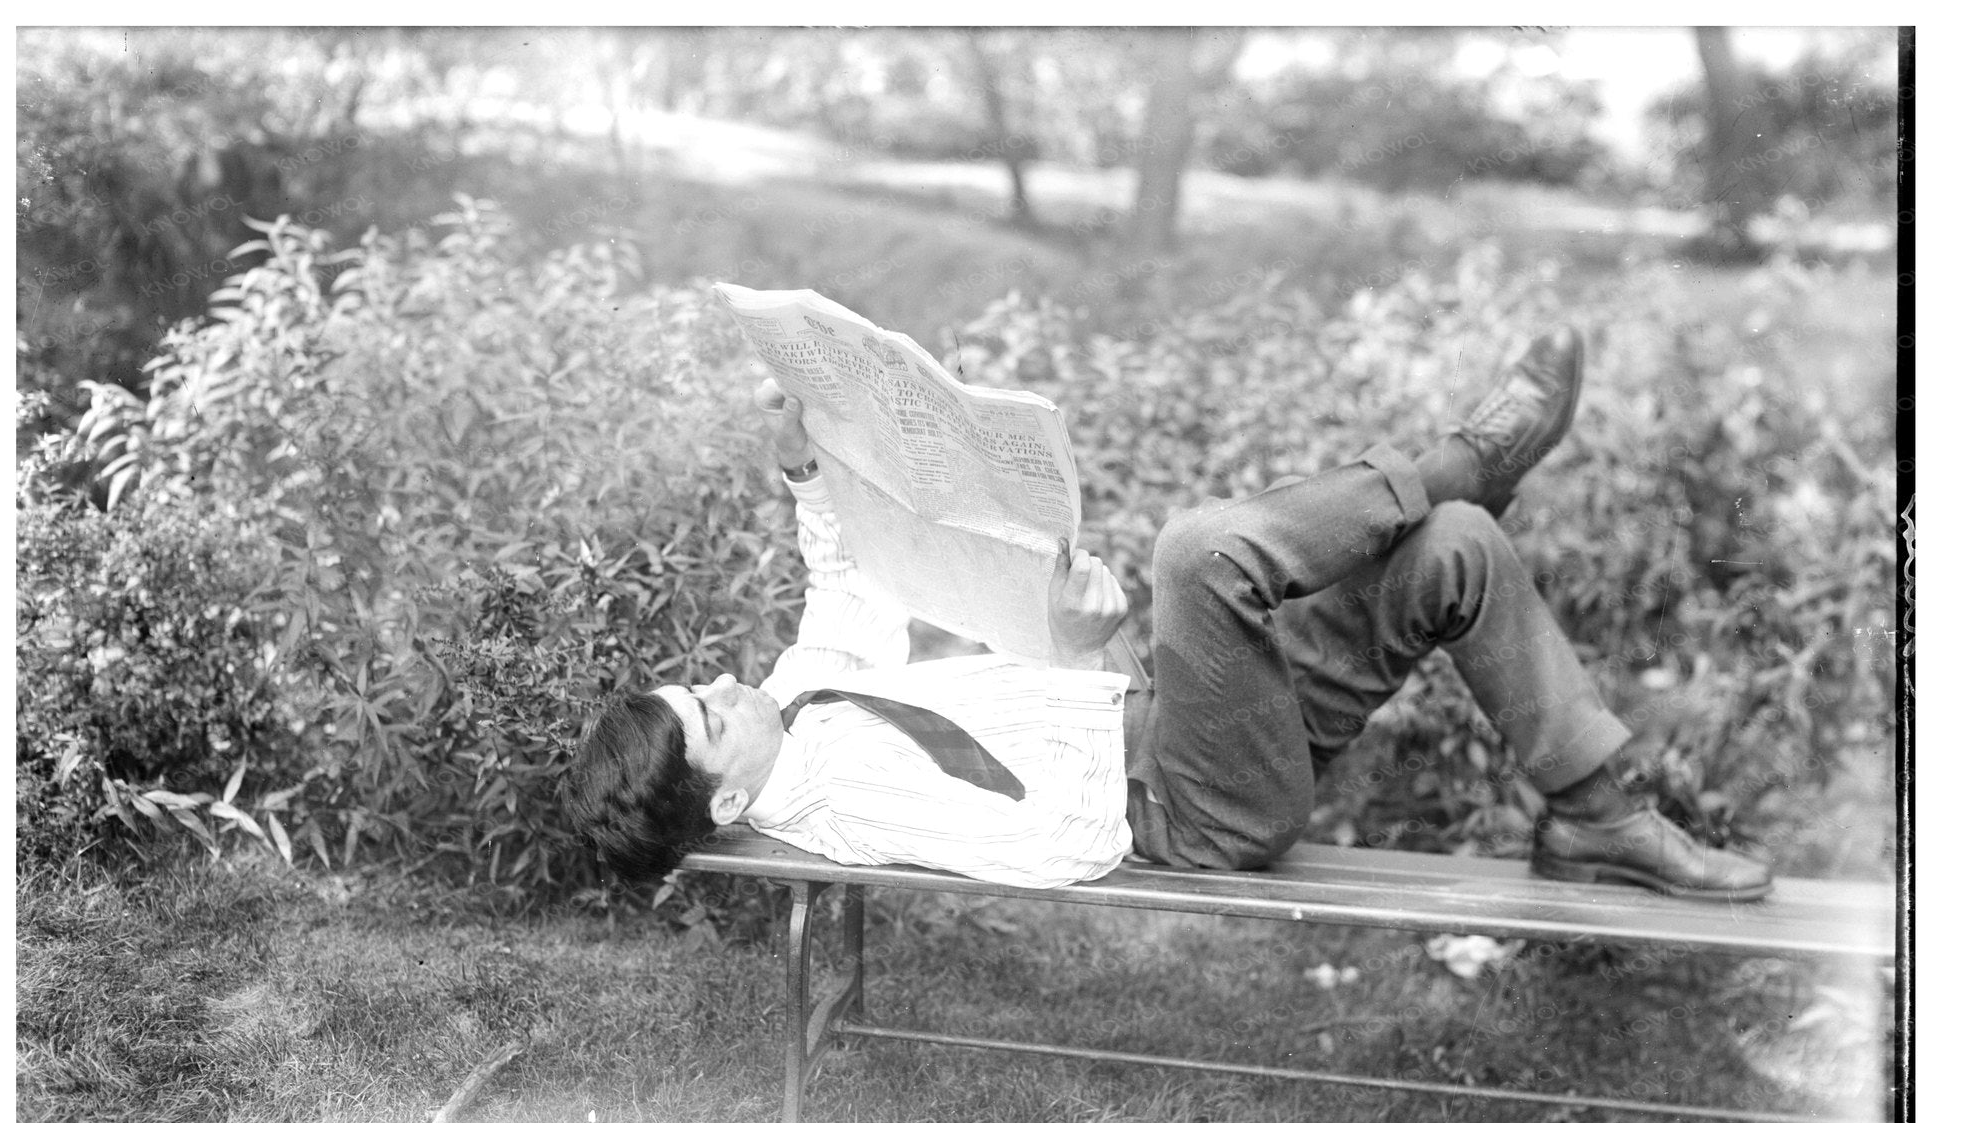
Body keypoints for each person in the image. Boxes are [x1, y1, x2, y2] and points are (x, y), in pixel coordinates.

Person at [565, 329, 1773, 901]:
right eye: (709, 715)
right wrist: (1091, 649)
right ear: (730, 798)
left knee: (1452, 555)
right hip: (1184, 802)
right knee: (1197, 550)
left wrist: (804, 469)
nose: (724, 687)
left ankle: (1597, 813)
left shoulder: (793, 700)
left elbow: (840, 585)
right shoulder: (843, 810)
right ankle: (1465, 458)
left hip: (1188, 723)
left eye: (700, 684)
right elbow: (1051, 847)